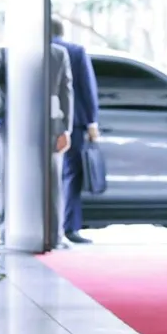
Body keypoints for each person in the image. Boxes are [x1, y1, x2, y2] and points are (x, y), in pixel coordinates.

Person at [0, 41, 75, 249]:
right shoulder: (6, 54)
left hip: (43, 127)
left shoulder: (56, 53)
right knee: (16, 177)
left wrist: (65, 130)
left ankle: (51, 234)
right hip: (16, 125)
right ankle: (10, 231)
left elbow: (65, 92)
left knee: (45, 180)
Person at [51, 18, 100, 245]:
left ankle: (43, 226)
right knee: (71, 175)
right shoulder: (75, 51)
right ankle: (68, 227)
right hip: (73, 124)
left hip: (37, 123)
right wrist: (91, 121)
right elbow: (86, 88)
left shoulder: (32, 51)